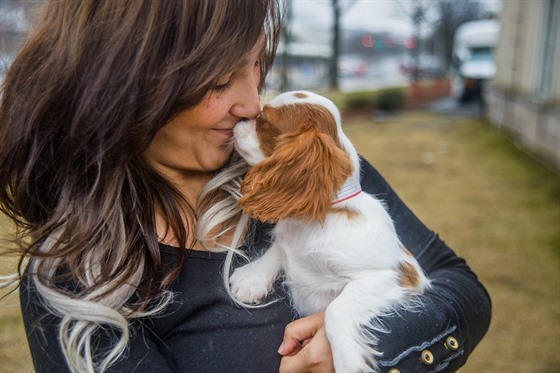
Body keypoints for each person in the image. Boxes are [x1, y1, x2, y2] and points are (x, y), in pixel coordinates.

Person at [0, 1, 491, 372]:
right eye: (217, 80)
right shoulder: (75, 273)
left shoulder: (304, 170)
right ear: (120, 85)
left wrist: (368, 346)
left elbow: (461, 289)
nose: (252, 104)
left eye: (255, 66)